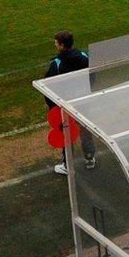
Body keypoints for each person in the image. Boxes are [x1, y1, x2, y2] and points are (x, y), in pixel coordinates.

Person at [44, 31, 90, 176]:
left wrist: (52, 107)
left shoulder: (56, 64)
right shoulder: (84, 56)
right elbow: (92, 75)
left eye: (56, 42)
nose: (55, 44)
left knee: (67, 133)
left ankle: (67, 165)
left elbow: (49, 87)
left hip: (65, 105)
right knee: (86, 130)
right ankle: (90, 158)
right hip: (83, 100)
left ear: (62, 45)